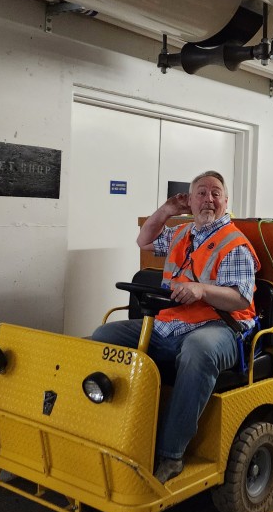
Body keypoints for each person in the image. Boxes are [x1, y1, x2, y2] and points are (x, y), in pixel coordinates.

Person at [92, 171, 259, 484]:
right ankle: (119, 429)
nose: (208, 199)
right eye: (201, 193)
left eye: (215, 193)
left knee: (199, 351)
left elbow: (239, 298)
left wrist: (201, 290)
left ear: (226, 200)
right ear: (190, 200)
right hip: (173, 322)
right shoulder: (182, 233)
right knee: (104, 336)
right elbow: (144, 240)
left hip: (221, 326)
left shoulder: (234, 244)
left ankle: (171, 454)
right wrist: (168, 210)